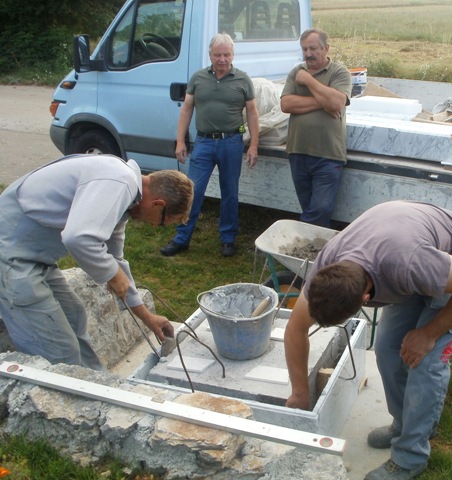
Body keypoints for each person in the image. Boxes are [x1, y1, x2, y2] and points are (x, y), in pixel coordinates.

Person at [284, 200, 452, 480]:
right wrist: (299, 393)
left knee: (424, 360)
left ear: (365, 300)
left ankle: (410, 457)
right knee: (387, 349)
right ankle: (405, 424)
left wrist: (428, 334)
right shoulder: (328, 267)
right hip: (407, 256)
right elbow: (295, 329)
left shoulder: (409, 264)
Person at [0, 153, 194, 371]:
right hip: (10, 257)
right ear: (158, 203)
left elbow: (114, 258)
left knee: (74, 317)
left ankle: (99, 387)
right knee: (60, 352)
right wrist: (113, 274)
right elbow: (78, 238)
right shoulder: (118, 182)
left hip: (36, 258)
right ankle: (73, 394)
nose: (153, 226)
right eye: (162, 222)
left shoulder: (125, 196)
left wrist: (147, 318)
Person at [160, 33, 259, 258]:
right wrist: (180, 140)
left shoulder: (243, 80)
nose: (222, 59)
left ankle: (228, 239)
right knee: (192, 191)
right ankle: (182, 238)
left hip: (231, 143)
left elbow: (252, 113)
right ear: (210, 55)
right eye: (218, 54)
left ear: (233, 55)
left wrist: (253, 145)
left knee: (230, 193)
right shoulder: (198, 78)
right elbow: (186, 109)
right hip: (203, 143)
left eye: (226, 54)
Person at [280, 28, 351, 228]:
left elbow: (337, 104)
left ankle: (299, 241)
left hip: (328, 155)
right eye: (304, 49)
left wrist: (309, 81)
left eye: (313, 48)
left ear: (326, 48)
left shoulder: (339, 73)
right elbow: (286, 105)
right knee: (310, 208)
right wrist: (324, 101)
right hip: (298, 152)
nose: (308, 53)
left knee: (320, 208)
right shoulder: (296, 71)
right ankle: (319, 250)